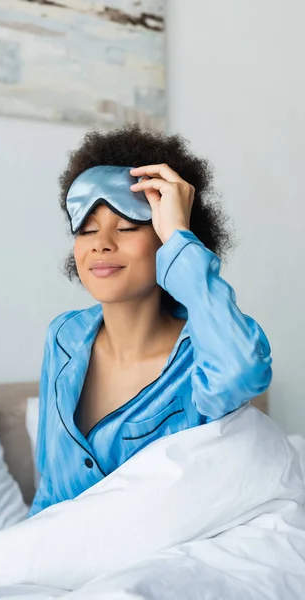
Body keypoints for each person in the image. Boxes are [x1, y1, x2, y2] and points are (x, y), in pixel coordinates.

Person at [27, 125, 272, 518]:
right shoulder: (63, 337)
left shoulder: (204, 353)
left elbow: (242, 374)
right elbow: (52, 490)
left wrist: (179, 234)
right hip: (63, 562)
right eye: (86, 229)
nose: (101, 243)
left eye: (126, 227)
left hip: (160, 567)